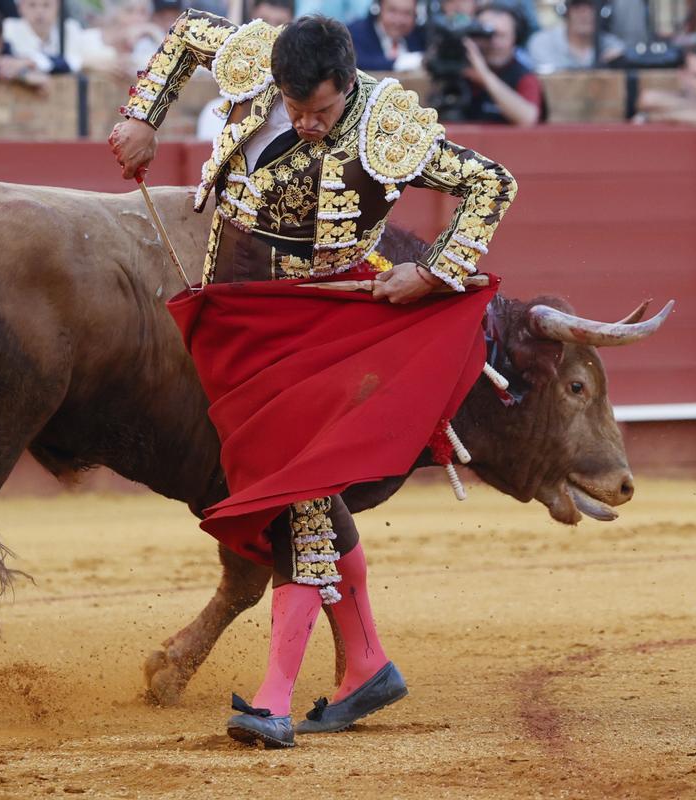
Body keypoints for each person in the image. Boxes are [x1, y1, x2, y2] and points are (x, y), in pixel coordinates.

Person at [111, 11, 516, 748]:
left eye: (320, 111)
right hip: (237, 315)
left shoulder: (385, 126)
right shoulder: (260, 59)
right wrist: (142, 117)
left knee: (295, 493)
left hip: (318, 324)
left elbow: (491, 182)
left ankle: (272, 698)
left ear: (348, 84)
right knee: (308, 493)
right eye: (293, 107)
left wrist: (430, 274)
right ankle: (364, 662)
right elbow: (189, 34)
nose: (303, 122)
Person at [196, 0, 295, 139]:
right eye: (264, 22)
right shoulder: (213, 114)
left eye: (279, 24)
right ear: (251, 22)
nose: (269, 34)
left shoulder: (296, 114)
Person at [459, 4, 542, 125]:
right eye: (486, 35)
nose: (494, 43)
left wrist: (484, 75)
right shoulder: (457, 68)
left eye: (501, 36)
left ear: (516, 38)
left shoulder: (523, 76)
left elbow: (528, 118)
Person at [527, 0, 625, 72]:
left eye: (592, 7)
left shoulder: (613, 46)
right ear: (565, 12)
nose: (585, 15)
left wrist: (616, 63)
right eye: (577, 8)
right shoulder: (542, 43)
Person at [347, 0, 426, 71]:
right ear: (378, 9)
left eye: (407, 13)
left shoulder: (420, 35)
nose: (399, 20)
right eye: (392, 11)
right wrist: (399, 62)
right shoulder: (355, 33)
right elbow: (359, 64)